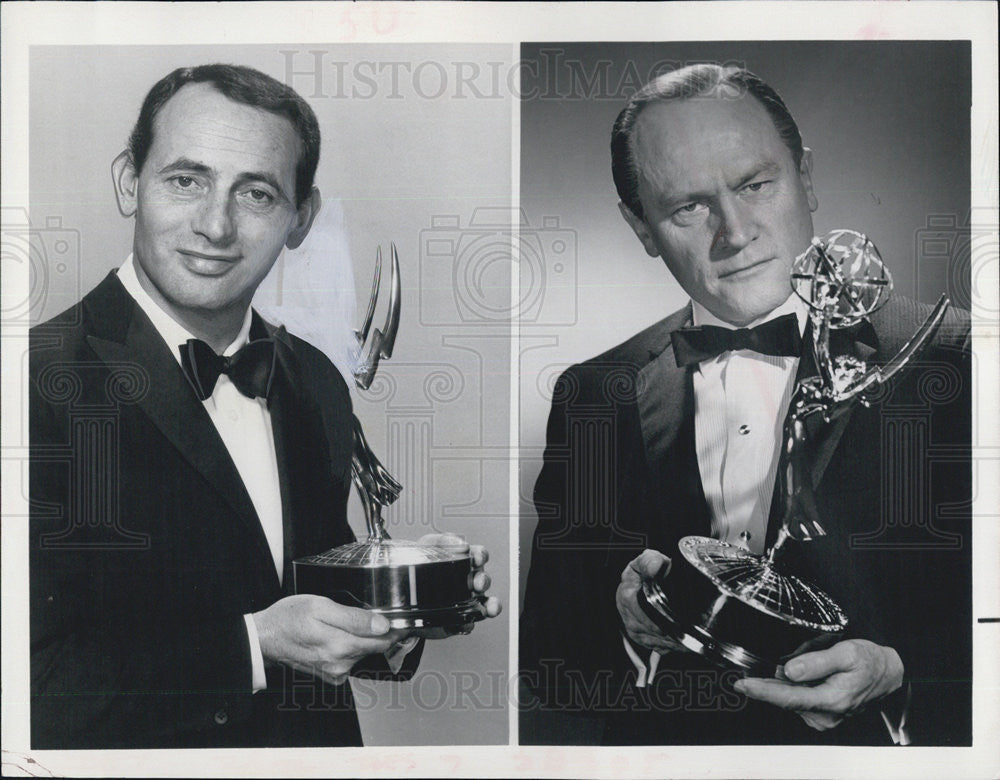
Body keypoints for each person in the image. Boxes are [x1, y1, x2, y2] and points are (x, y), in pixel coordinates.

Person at [29, 63, 500, 749]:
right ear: (129, 181)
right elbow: (24, 689)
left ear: (300, 218)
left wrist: (397, 597)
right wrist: (254, 646)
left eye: (256, 194)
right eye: (186, 180)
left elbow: (310, 612)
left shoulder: (314, 379)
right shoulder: (28, 383)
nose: (215, 225)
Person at [520, 64, 971, 746]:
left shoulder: (959, 354)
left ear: (807, 177)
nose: (735, 233)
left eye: (757, 185)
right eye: (687, 207)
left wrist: (899, 669)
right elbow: (549, 663)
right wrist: (626, 626)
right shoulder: (592, 393)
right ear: (641, 228)